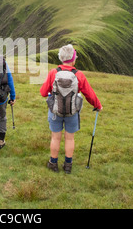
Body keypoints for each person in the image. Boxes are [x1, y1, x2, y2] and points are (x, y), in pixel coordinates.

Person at [40, 44, 102, 174]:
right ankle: (68, 165)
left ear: (61, 58)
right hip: (72, 112)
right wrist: (97, 105)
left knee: (55, 138)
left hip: (55, 112)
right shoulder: (79, 75)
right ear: (73, 59)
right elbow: (89, 93)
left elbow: (43, 92)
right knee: (70, 138)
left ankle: (53, 163)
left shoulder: (53, 73)